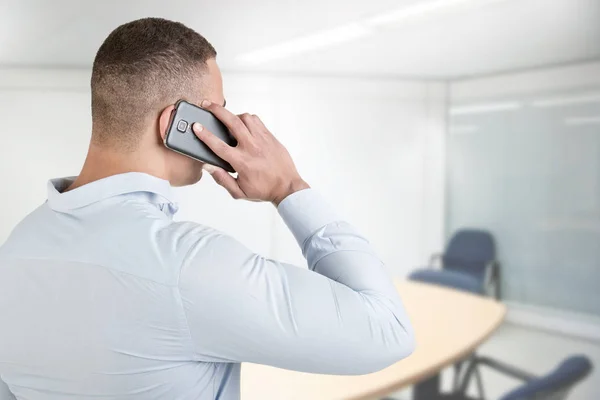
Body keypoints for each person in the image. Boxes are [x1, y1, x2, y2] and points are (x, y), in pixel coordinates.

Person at [0, 18, 414, 400]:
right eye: (216, 110)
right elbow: (388, 330)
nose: (226, 124)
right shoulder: (188, 265)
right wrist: (289, 187)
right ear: (176, 124)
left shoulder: (17, 247)